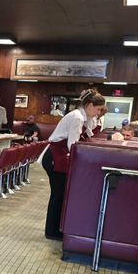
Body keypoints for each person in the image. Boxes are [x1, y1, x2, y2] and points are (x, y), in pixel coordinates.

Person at [42, 90, 106, 239]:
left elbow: (88, 137)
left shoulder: (84, 117)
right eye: (98, 109)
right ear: (90, 105)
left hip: (61, 156)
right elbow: (73, 145)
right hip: (55, 156)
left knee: (60, 195)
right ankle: (51, 231)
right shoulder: (77, 117)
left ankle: (57, 229)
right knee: (57, 195)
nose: (98, 113)